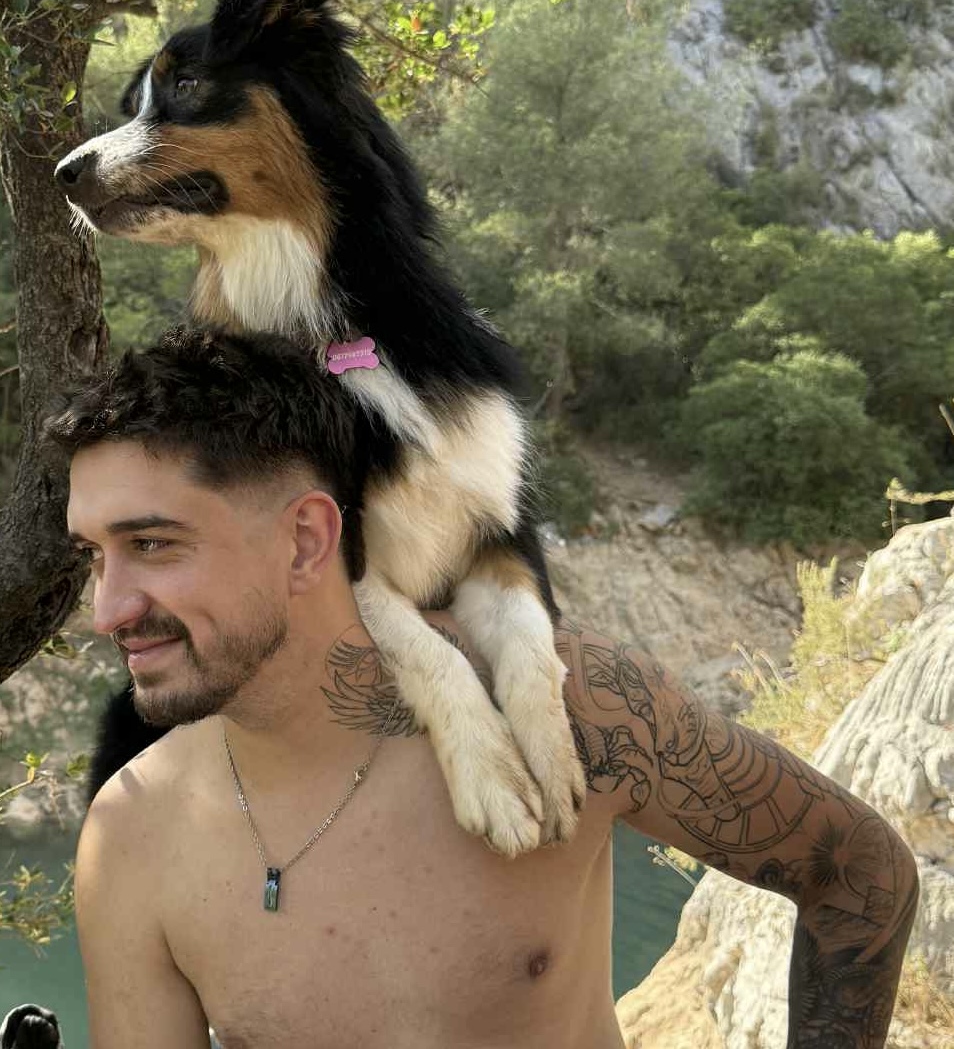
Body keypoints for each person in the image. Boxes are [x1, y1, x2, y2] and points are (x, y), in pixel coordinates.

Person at [45, 326, 918, 1049]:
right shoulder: (132, 837)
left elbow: (859, 873)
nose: (107, 609)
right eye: (95, 555)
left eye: (152, 544)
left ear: (307, 540)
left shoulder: (573, 710)